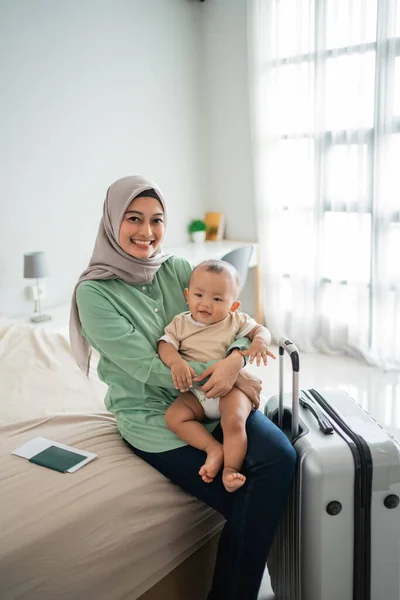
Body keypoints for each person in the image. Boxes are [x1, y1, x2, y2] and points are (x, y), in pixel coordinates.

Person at [70, 175, 296, 600]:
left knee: (281, 458)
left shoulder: (176, 269)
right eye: (133, 219)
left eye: (157, 220)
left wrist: (235, 361)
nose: (147, 231)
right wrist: (228, 373)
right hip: (155, 417)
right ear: (111, 221)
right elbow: (149, 366)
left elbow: (231, 323)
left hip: (216, 396)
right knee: (245, 499)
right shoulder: (94, 294)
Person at [158, 259, 276, 493]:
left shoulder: (236, 321)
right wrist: (176, 362)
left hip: (230, 389)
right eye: (199, 295)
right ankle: (213, 448)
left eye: (217, 299)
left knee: (233, 422)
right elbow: (165, 345)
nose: (205, 304)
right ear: (187, 295)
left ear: (233, 305)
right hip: (197, 393)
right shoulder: (180, 323)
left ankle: (231, 469)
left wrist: (260, 341)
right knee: (174, 417)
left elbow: (260, 330)